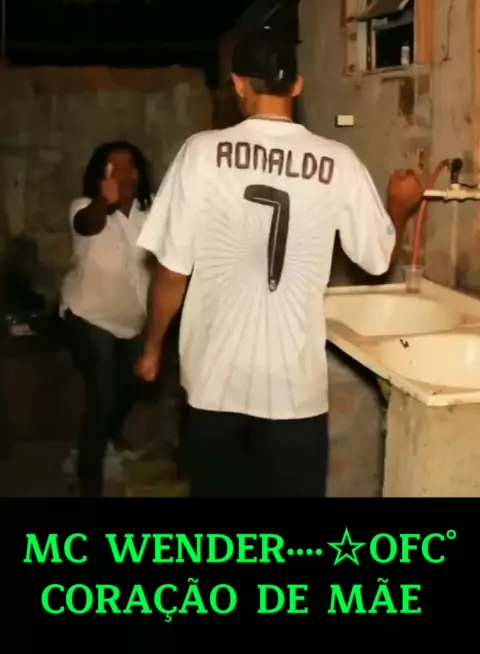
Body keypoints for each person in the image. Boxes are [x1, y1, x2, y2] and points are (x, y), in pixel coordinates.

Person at [135, 30, 424, 498]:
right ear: (298, 85)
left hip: (214, 384)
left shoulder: (200, 154)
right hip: (294, 392)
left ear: (238, 84)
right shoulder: (340, 163)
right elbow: (376, 260)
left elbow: (171, 274)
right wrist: (399, 207)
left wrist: (152, 347)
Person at [60, 141, 153, 497]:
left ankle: (105, 436)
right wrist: (104, 201)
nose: (124, 176)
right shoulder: (84, 207)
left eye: (130, 167)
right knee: (103, 396)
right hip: (89, 315)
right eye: (114, 169)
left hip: (132, 321)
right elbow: (87, 225)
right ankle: (90, 483)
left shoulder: (151, 210)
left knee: (135, 386)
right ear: (100, 175)